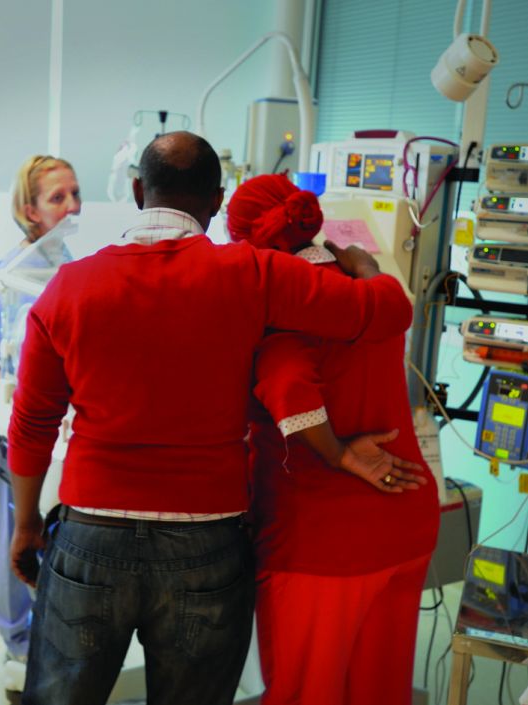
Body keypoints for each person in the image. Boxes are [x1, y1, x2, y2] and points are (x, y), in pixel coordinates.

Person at [6, 131, 422, 705]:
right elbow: (388, 311)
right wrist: (362, 263)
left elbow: (32, 423)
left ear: (135, 189)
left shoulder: (68, 289)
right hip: (206, 544)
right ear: (218, 199)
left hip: (91, 537)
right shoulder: (253, 275)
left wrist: (27, 523)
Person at [227, 172, 441, 705]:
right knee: (379, 688)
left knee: (309, 692)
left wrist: (340, 453)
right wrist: (367, 265)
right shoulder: (371, 287)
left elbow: (290, 389)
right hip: (403, 521)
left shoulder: (285, 303)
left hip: (323, 541)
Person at [0, 155, 81, 698]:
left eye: (76, 194)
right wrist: (15, 398)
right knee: (11, 541)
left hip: (64, 430)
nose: (73, 207)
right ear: (28, 210)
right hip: (14, 427)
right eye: (57, 197)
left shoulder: (79, 271)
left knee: (58, 541)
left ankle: (56, 643)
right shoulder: (12, 275)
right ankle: (18, 645)